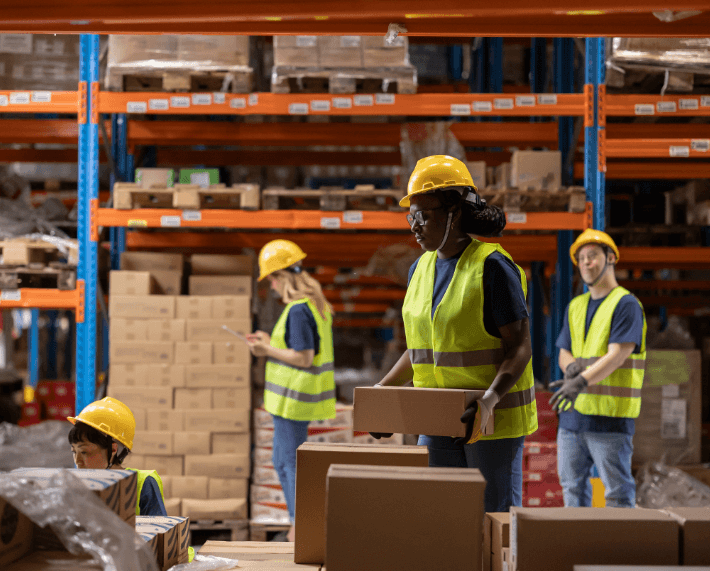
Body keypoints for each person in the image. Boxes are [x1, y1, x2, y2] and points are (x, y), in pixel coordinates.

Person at [375, 155, 538, 513]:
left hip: (490, 421)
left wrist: (489, 401)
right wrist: (382, 394)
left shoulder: (493, 267)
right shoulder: (420, 268)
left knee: (491, 522)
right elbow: (421, 350)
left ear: (454, 211)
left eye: (424, 215)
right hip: (435, 416)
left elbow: (520, 347)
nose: (415, 226)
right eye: (411, 216)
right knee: (438, 518)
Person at [247, 239, 336, 541]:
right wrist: (268, 341)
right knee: (285, 462)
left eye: (272, 278)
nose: (271, 286)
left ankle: (300, 528)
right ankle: (297, 525)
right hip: (297, 399)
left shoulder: (298, 310)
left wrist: (265, 350)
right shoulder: (313, 305)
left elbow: (304, 356)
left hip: (292, 400)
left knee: (288, 464)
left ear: (284, 276)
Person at [550, 228, 646, 508]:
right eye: (581, 259)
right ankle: (579, 550)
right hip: (572, 419)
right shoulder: (576, 306)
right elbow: (564, 351)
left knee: (617, 493)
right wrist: (569, 369)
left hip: (609, 420)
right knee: (572, 491)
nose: (586, 264)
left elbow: (618, 354)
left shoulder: (626, 304)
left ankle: (618, 550)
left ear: (611, 258)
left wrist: (579, 382)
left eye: (592, 256)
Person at [68, 396, 167, 516]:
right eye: (74, 452)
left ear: (113, 449)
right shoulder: (77, 487)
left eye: (84, 452)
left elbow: (158, 532)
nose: (78, 461)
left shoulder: (143, 483)